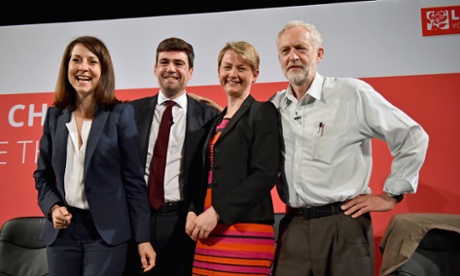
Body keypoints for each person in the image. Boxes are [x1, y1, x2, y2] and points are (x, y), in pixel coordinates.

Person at [190, 20, 430, 276]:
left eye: (300, 48)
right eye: (285, 51)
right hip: (294, 226)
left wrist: (391, 195)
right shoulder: (275, 105)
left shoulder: (351, 93)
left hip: (343, 225)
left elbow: (413, 136)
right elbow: (239, 123)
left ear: (318, 54)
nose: (293, 56)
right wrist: (197, 105)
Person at [33, 36, 155, 276]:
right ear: (67, 67)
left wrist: (143, 238)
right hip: (63, 235)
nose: (83, 68)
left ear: (103, 70)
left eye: (92, 61)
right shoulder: (54, 116)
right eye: (76, 60)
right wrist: (53, 207)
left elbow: (134, 181)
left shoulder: (121, 115)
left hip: (106, 234)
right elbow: (42, 175)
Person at [123, 37, 220, 276]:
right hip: (136, 219)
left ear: (190, 71)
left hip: (182, 221)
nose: (170, 69)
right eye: (164, 62)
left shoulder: (209, 116)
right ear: (155, 69)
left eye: (178, 63)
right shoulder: (129, 112)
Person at [185, 41, 282, 276]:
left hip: (245, 229)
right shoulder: (215, 122)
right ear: (219, 72)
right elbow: (202, 175)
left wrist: (215, 212)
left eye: (242, 68)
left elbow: (265, 174)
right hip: (206, 230)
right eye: (227, 67)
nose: (233, 74)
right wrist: (192, 211)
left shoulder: (263, 112)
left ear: (255, 74)